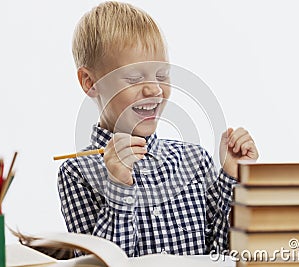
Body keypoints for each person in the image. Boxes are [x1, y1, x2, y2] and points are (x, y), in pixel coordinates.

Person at [58, 1, 259, 257]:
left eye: (162, 75)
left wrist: (232, 176)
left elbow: (223, 254)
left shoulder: (195, 161)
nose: (154, 89)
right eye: (134, 78)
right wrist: (119, 185)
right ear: (90, 82)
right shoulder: (77, 173)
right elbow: (99, 263)